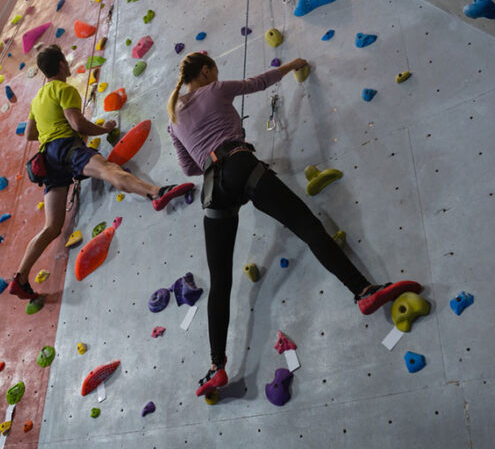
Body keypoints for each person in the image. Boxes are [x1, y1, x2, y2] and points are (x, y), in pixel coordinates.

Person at [166, 52, 423, 397]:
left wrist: (209, 154)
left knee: (221, 282)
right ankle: (363, 292)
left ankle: (216, 367)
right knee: (306, 226)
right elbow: (257, 83)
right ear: (207, 70)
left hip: (213, 188)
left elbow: (188, 168)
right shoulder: (214, 90)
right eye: (215, 70)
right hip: (240, 164)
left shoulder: (174, 118)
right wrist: (290, 66)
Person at [10, 44, 182, 299]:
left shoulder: (37, 100)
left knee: (52, 227)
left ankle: (20, 278)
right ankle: (155, 192)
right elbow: (76, 123)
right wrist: (105, 128)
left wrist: (50, 128)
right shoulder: (64, 89)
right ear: (60, 65)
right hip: (66, 148)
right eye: (65, 61)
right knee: (107, 169)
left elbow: (30, 134)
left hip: (48, 160)